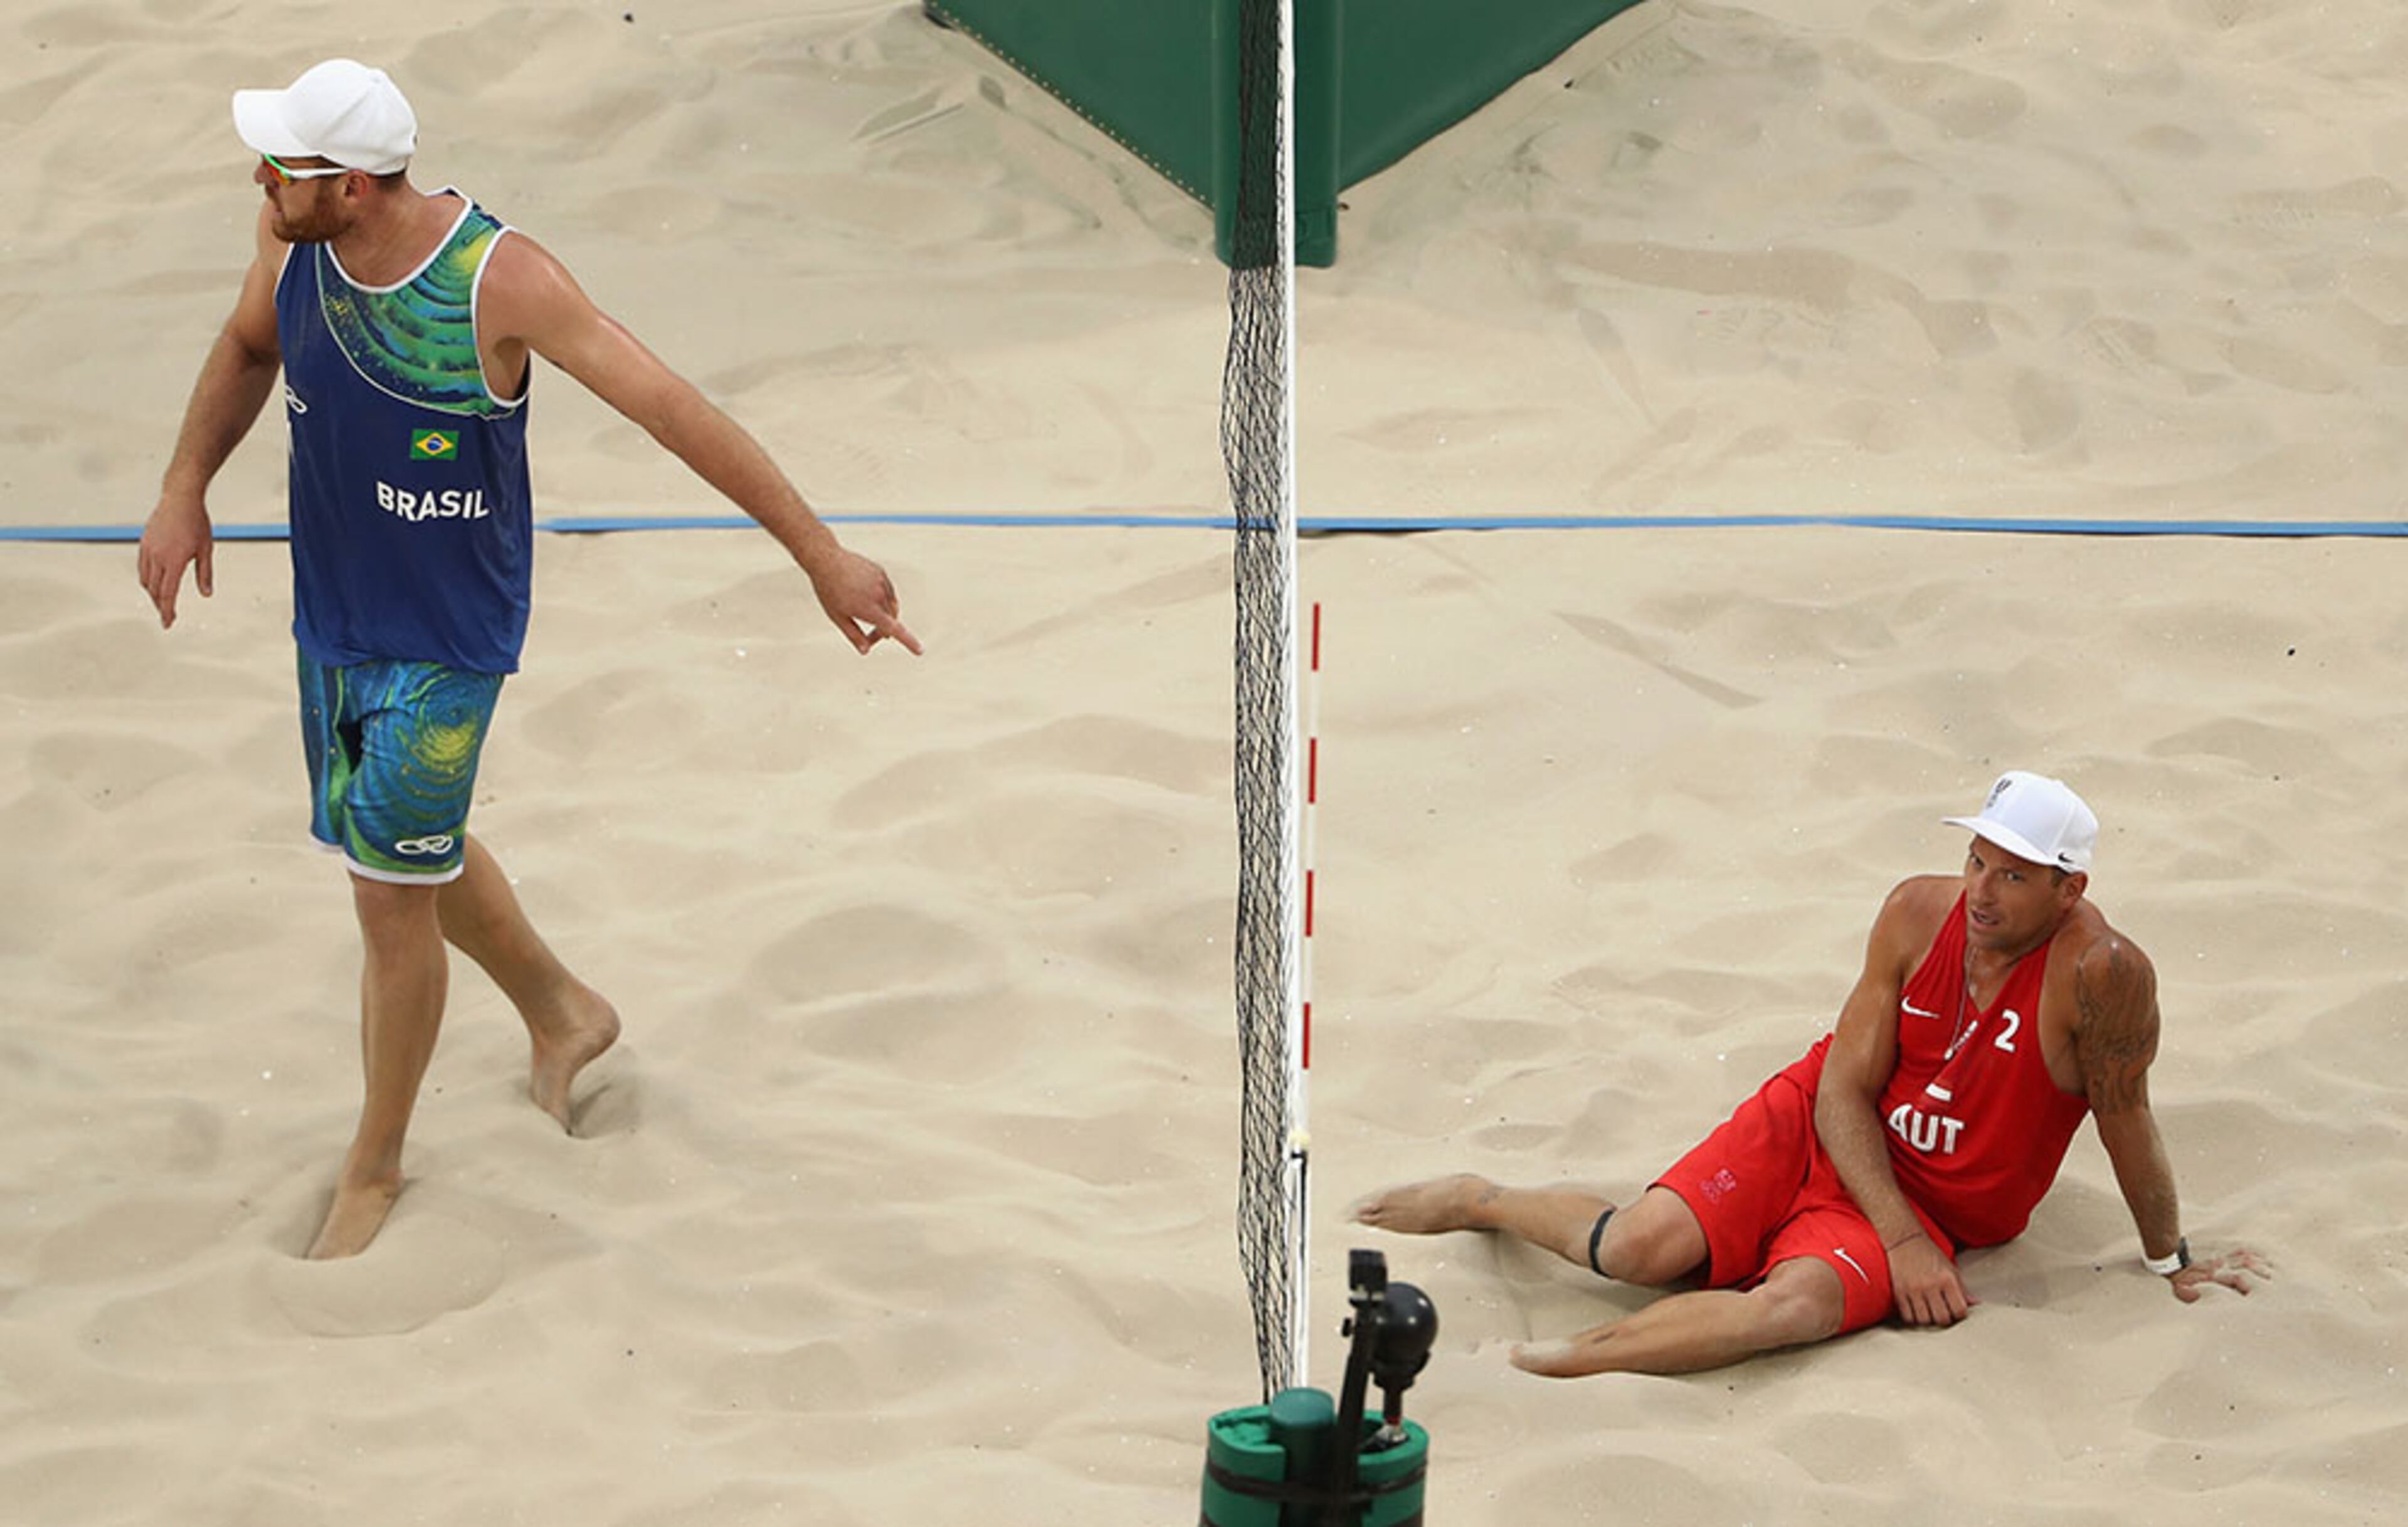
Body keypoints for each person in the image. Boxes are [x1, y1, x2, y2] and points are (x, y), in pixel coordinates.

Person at [136, 60, 922, 1260]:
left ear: (350, 185)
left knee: (386, 890)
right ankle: (565, 1015)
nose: (258, 177)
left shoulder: (499, 280)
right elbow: (249, 350)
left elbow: (669, 406)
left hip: (445, 640)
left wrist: (819, 553)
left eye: (283, 165)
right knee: (398, 844)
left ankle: (375, 1167)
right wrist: (184, 487)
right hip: (335, 608)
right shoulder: (289, 243)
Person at [1353, 770, 2266, 1376]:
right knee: (1638, 1251)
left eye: (2015, 878)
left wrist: (2167, 1259)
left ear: (2070, 890)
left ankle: (1560, 1361)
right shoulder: (1917, 913)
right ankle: (1483, 1200)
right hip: (1823, 1125)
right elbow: (1841, 1085)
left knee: (1787, 1306)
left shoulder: (2105, 975)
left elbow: (2128, 1118)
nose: (1982, 892)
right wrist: (1899, 1242)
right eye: (1976, 861)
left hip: (1938, 1206)